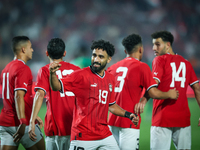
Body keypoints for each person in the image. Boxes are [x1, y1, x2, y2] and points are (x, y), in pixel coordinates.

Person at [49, 39, 139, 150]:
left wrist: (128, 114)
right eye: (94, 55)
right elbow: (56, 86)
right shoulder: (80, 75)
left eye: (101, 57)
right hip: (83, 136)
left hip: (104, 134)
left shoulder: (110, 79)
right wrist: (52, 74)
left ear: (109, 59)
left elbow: (111, 105)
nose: (96, 59)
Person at [107, 33, 179, 150]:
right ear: (141, 49)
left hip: (111, 121)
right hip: (130, 121)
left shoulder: (112, 68)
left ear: (125, 51)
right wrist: (169, 94)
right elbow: (153, 92)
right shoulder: (142, 67)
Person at [150, 31, 200, 150]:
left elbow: (152, 89)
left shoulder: (159, 60)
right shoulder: (186, 63)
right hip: (183, 119)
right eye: (153, 44)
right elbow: (197, 88)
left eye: (157, 44)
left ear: (167, 45)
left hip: (162, 118)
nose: (153, 48)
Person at [28, 38, 80, 150]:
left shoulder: (45, 70)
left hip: (54, 127)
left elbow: (39, 94)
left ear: (47, 53)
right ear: (64, 53)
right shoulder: (77, 70)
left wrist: (32, 120)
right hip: (74, 126)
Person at [0, 36, 45, 150]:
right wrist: (23, 121)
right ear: (23, 49)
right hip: (21, 123)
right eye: (30, 47)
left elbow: (9, 96)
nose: (32, 50)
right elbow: (18, 96)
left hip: (5, 123)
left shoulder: (6, 69)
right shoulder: (23, 68)